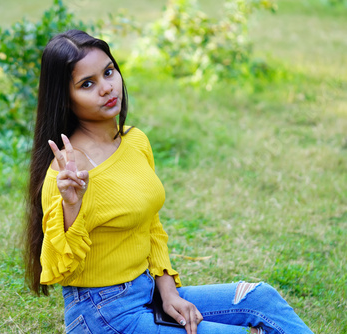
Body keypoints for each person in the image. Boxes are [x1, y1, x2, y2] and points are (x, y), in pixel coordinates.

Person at [24, 29, 314, 334]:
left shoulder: (134, 141)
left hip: (147, 291)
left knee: (261, 298)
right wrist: (71, 204)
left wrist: (169, 292)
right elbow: (61, 268)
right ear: (66, 100)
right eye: (87, 84)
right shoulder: (68, 169)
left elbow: (150, 226)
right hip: (102, 314)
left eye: (109, 72)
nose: (107, 88)